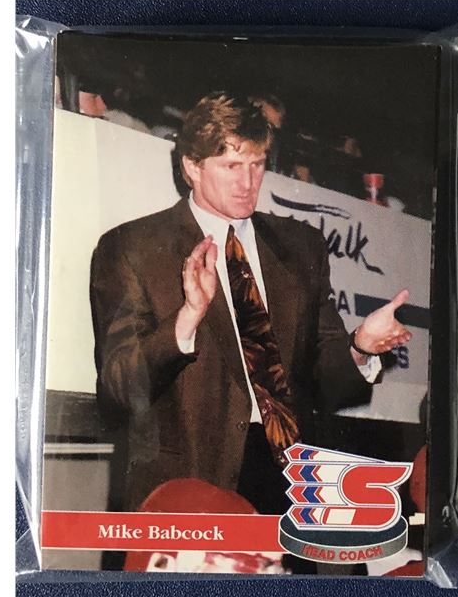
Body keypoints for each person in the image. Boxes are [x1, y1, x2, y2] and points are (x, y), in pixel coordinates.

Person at [90, 90, 412, 518]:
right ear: (192, 167)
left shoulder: (301, 247)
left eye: (257, 165)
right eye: (231, 166)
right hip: (191, 483)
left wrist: (360, 346)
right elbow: (117, 391)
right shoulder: (132, 248)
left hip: (292, 481)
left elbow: (323, 378)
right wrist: (186, 319)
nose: (248, 183)